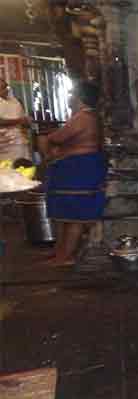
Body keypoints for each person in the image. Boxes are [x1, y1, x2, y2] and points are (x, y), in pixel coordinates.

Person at [39, 81, 106, 267]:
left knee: (74, 215)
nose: (70, 98)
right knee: (66, 216)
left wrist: (49, 149)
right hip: (77, 169)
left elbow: (56, 138)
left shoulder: (84, 117)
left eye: (72, 94)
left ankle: (65, 256)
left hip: (80, 170)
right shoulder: (85, 116)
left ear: (79, 98)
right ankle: (60, 253)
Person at [0, 78, 32, 163]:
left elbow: (25, 121)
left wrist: (26, 122)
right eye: (2, 87)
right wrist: (19, 121)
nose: (6, 89)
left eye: (6, 87)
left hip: (21, 143)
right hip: (5, 145)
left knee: (25, 171)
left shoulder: (15, 101)